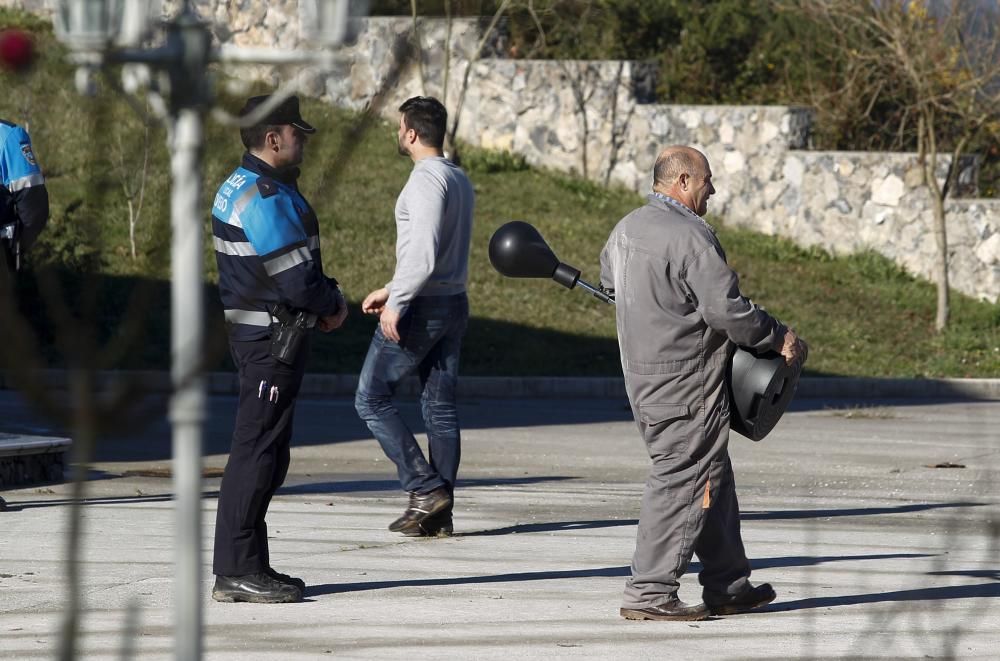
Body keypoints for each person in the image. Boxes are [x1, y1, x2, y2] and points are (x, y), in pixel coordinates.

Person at [599, 145, 807, 621]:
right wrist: (779, 335)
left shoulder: (626, 229)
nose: (713, 189)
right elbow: (726, 310)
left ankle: (728, 584)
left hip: (644, 378)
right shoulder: (690, 236)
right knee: (684, 477)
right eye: (707, 180)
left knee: (712, 474)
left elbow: (610, 284)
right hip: (687, 382)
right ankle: (649, 592)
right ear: (684, 181)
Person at [210, 94, 348, 604]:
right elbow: (296, 281)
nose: (303, 140)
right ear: (273, 138)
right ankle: (236, 570)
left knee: (264, 451)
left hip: (259, 338)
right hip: (272, 342)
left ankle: (250, 563)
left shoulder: (242, 186)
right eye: (297, 132)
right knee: (258, 453)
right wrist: (333, 302)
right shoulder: (264, 197)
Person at [354, 96, 474, 538]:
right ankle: (439, 512)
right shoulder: (457, 179)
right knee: (439, 408)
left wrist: (398, 301)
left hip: (422, 306)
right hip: (453, 300)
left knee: (370, 397)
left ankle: (424, 488)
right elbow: (435, 252)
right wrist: (391, 286)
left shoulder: (426, 181)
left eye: (399, 126)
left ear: (409, 132)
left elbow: (422, 254)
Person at [1, 119, 48, 271]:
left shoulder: (8, 136)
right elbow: (34, 214)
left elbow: (33, 211)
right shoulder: (8, 135)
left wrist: (14, 249)